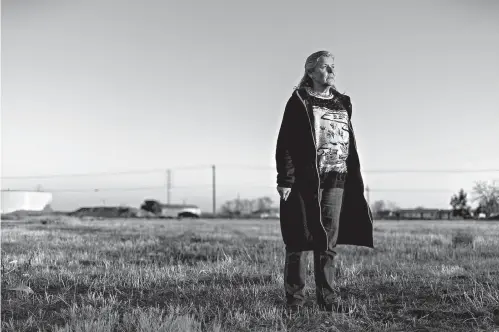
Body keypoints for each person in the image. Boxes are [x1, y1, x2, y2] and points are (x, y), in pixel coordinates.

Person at [275, 50, 374, 312]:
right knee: (298, 238)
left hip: (336, 179)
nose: (331, 71)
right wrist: (285, 179)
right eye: (325, 67)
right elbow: (285, 142)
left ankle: (327, 299)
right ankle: (295, 300)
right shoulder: (299, 100)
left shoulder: (342, 102)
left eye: (333, 67)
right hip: (306, 181)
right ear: (310, 72)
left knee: (328, 244)